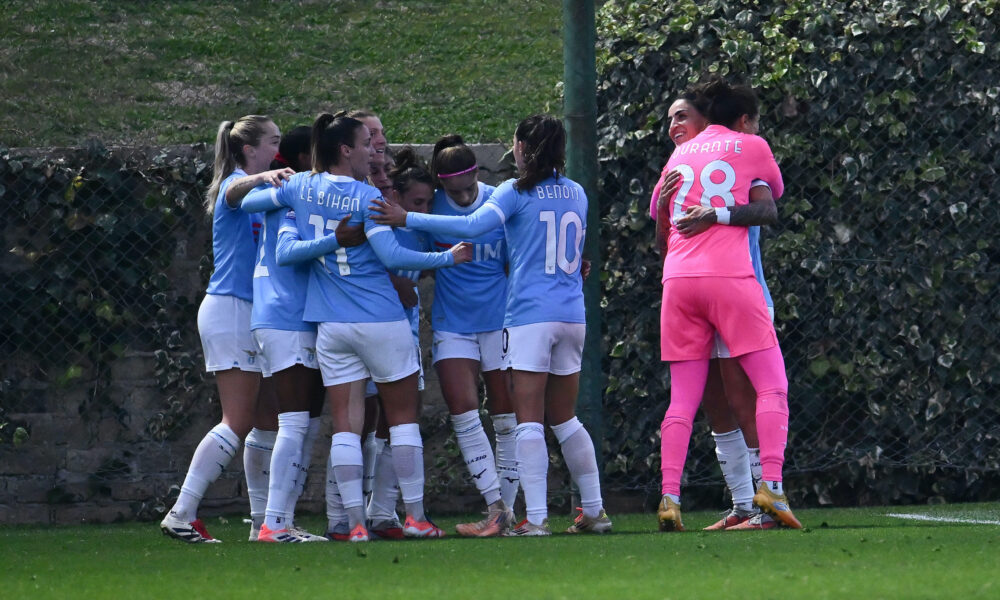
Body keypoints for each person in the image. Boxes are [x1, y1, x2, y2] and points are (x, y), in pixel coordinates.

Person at [372, 115, 610, 536]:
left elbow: (470, 226)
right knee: (566, 419)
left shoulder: (514, 192)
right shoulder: (576, 192)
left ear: (522, 148)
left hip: (528, 316)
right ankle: (594, 511)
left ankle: (534, 520)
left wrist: (406, 218)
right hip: (573, 314)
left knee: (528, 421)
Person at [242, 112, 473, 542]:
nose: (374, 151)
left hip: (331, 325)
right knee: (402, 418)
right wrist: (447, 259)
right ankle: (416, 517)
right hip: (380, 319)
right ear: (345, 150)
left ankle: (356, 525)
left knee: (346, 424)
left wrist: (270, 186)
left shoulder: (301, 187)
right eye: (367, 144)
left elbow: (249, 205)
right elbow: (393, 258)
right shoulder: (366, 197)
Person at [653, 79, 802, 532]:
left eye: (682, 116)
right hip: (731, 284)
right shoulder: (748, 147)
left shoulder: (680, 159)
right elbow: (773, 200)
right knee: (756, 393)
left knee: (721, 398)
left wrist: (687, 210)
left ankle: (673, 496)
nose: (674, 126)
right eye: (671, 118)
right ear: (745, 120)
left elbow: (667, 236)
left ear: (704, 119)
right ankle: (759, 496)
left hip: (684, 283)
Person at [160, 115, 292, 543]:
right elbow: (232, 193)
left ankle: (264, 524)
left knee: (267, 417)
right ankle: (181, 513)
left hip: (254, 313)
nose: (278, 149)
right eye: (272, 142)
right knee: (236, 420)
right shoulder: (236, 183)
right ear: (248, 149)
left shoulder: (262, 190)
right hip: (230, 309)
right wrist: (264, 177)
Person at [426, 134, 518, 536]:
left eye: (468, 188)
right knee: (463, 412)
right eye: (454, 192)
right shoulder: (429, 207)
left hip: (498, 321)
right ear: (440, 184)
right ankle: (495, 507)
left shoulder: (498, 199)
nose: (463, 198)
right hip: (453, 325)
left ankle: (507, 513)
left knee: (506, 417)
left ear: (478, 175)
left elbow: (517, 259)